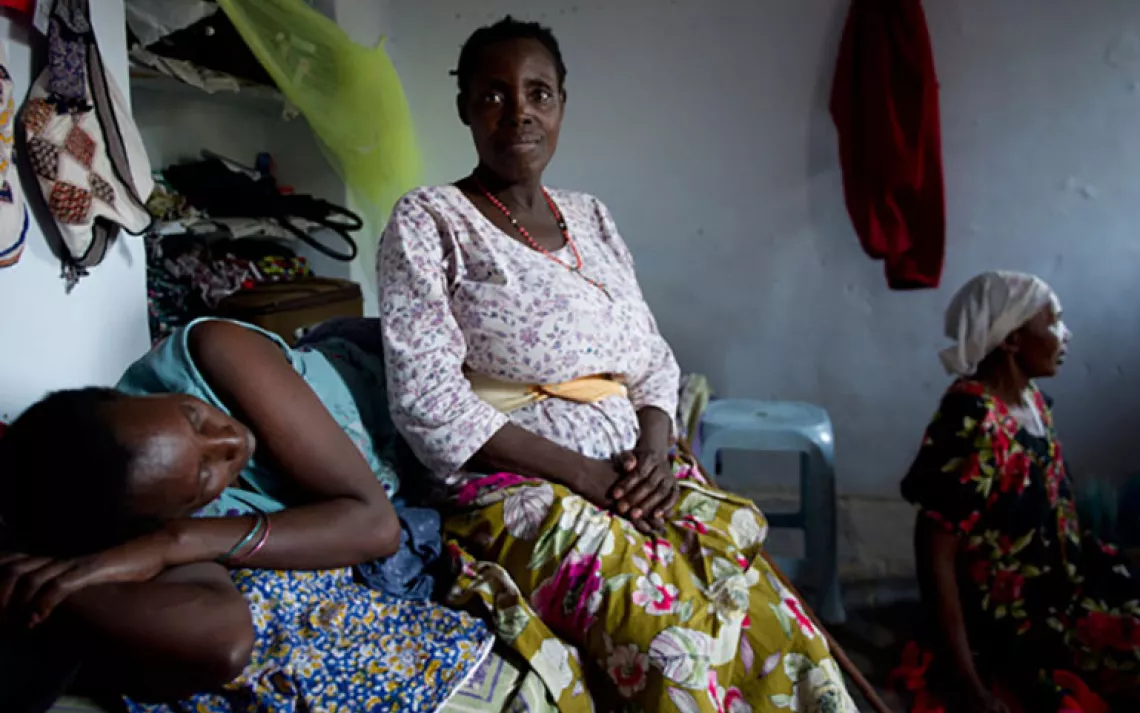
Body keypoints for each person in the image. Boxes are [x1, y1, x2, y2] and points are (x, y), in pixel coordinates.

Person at [378, 16, 858, 713]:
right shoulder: (430, 220)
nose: (520, 112)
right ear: (464, 108)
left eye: (539, 93)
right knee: (672, 637)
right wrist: (586, 477)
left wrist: (658, 455)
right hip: (519, 488)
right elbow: (427, 402)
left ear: (562, 105)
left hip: (633, 472)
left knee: (767, 609)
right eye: (493, 95)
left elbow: (653, 362)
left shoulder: (592, 217)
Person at [0, 317, 493, 712]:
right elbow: (225, 644)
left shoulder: (215, 351)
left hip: (445, 381)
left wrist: (174, 542)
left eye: (194, 418)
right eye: (204, 476)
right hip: (435, 466)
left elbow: (376, 526)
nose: (231, 440)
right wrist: (66, 587)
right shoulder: (157, 513)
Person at [897, 271, 1138, 712]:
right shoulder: (972, 419)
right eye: (1055, 322)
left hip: (1067, 582)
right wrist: (967, 681)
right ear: (1010, 339)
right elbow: (936, 551)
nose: (1067, 334)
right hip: (1023, 619)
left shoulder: (1031, 403)